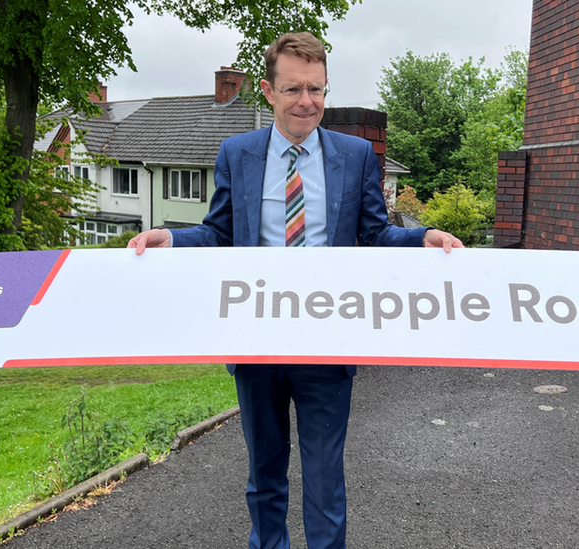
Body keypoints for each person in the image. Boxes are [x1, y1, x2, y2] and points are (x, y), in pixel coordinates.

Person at [129, 31, 462, 549]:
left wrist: (424, 238)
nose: (307, 102)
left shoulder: (354, 156)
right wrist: (168, 238)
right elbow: (218, 232)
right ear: (267, 90)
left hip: (326, 343)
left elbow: (376, 234)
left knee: (326, 482)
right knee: (264, 477)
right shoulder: (237, 153)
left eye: (317, 89)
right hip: (257, 338)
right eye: (293, 90)